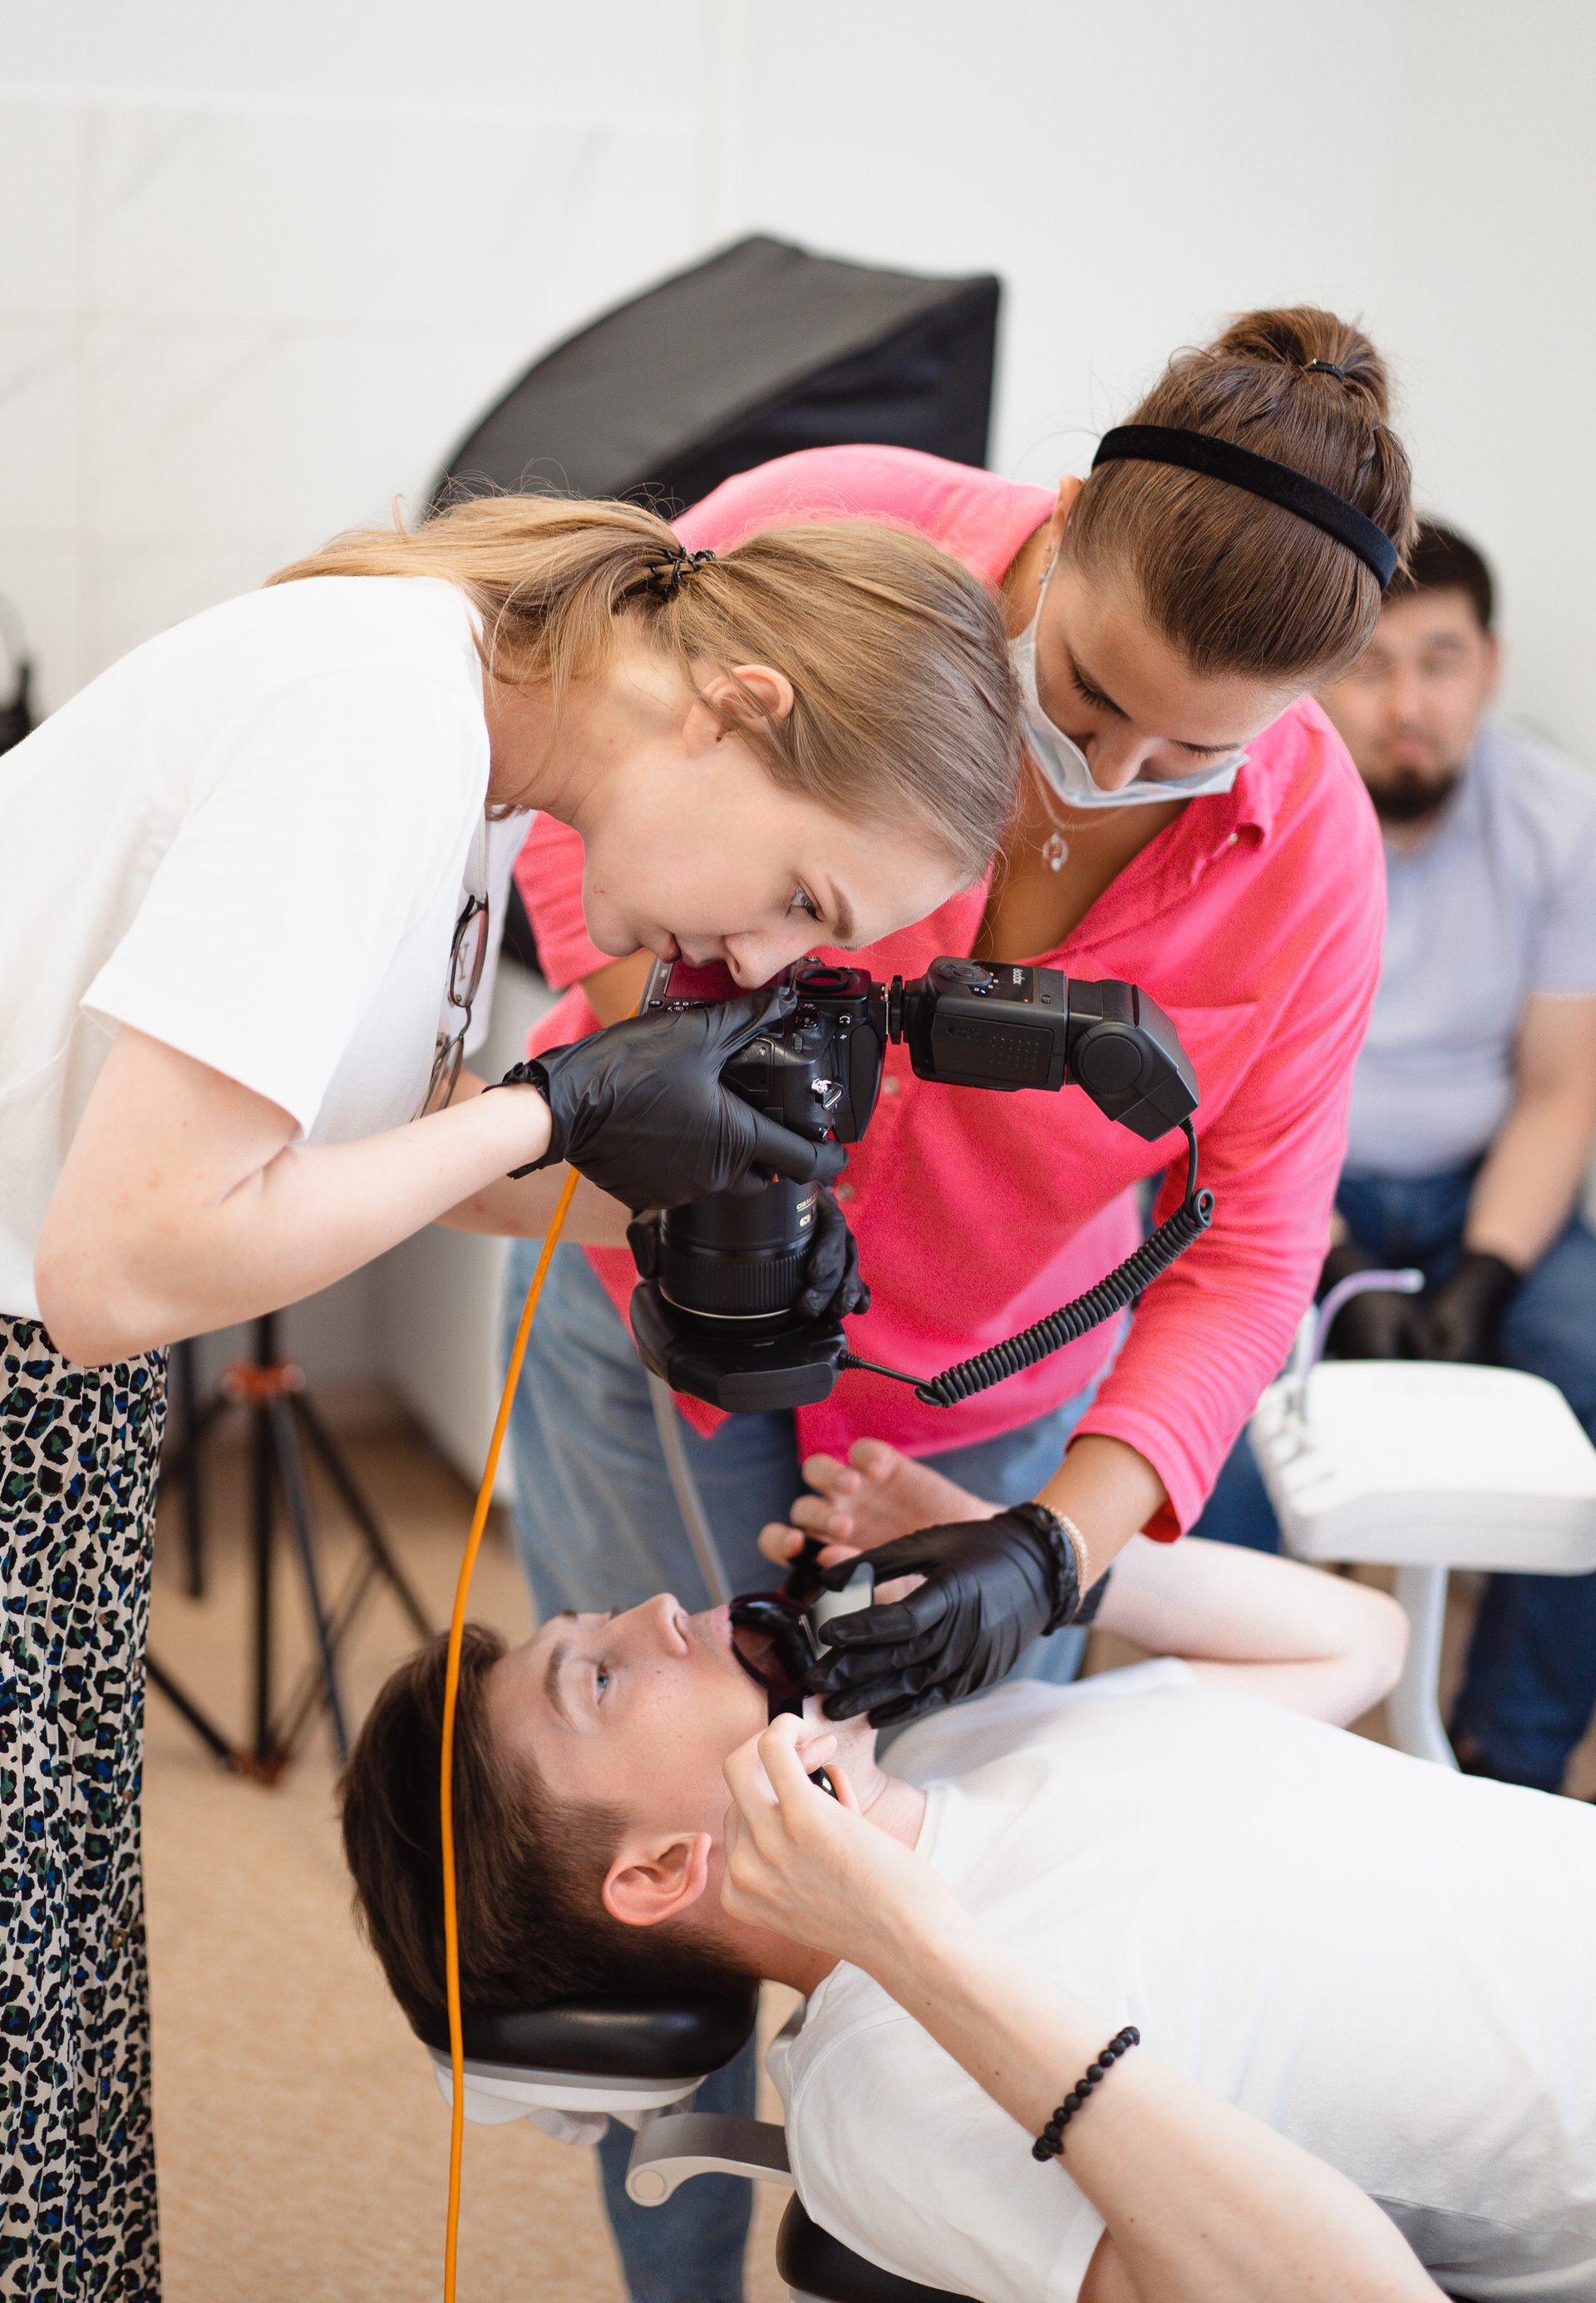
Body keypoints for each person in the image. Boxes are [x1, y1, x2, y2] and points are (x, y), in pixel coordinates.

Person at [0, 499, 1022, 2293]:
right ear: (741, 708)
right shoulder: (377, 719)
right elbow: (125, 1262)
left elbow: (353, 1154)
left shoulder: (464, 765)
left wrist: (666, 1173)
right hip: (48, 1351)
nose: (768, 958)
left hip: (55, 1393)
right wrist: (556, 1107)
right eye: (803, 895)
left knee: (53, 1960)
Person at [500, 305, 1414, 2294]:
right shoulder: (833, 531)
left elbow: (1251, 1249)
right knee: (670, 1871)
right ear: (1064, 524)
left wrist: (1054, 1549)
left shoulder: (1315, 864)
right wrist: (678, 1049)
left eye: (1196, 750)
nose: (1112, 772)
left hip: (993, 1418)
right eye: (1085, 694)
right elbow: (585, 792)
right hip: (666, 1323)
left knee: (976, 1909)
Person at [340, 1561, 1595, 2301]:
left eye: (600, 1621)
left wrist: (1053, 1563)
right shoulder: (879, 2097)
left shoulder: (969, 1741)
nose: (660, 1607)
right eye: (601, 1679)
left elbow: (1361, 1643)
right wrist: (916, 1950)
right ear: (664, 1870)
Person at [1196, 521, 1596, 1795]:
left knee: (1590, 1363)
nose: (1406, 704)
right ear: (1320, 674)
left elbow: (1562, 1089)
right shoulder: (1249, 808)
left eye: (1440, 663)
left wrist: (1487, 1271)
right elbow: (1225, 1092)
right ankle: (1227, 1758)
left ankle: (1511, 1760)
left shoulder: (1561, 820)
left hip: (1488, 1194)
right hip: (1286, 1180)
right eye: (1370, 666)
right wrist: (1328, 1263)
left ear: (1491, 667)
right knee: (1223, 1411)